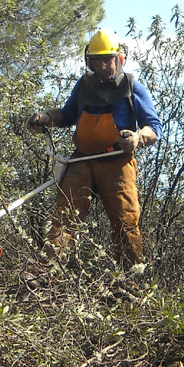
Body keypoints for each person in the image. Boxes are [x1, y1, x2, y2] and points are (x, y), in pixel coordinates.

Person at [26, 29, 162, 267]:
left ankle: (130, 281)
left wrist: (138, 138)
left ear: (118, 59)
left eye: (106, 60)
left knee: (125, 222)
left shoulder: (132, 87)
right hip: (82, 162)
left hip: (117, 163)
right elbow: (68, 115)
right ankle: (47, 274)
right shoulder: (83, 86)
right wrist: (46, 117)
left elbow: (154, 127)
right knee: (64, 219)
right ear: (89, 61)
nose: (101, 66)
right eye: (95, 61)